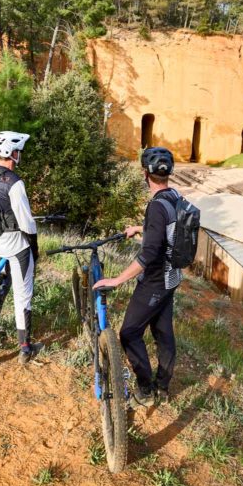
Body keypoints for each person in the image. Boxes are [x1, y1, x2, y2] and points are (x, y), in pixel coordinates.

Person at [93, 147, 181, 408]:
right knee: (163, 332)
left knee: (130, 333)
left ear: (145, 174)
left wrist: (117, 280)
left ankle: (145, 390)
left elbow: (149, 253)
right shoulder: (175, 196)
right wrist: (141, 229)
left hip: (155, 280)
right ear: (168, 173)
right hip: (172, 276)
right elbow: (167, 230)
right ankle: (162, 387)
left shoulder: (156, 206)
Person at [0, 131, 42, 364]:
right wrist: (34, 248)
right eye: (19, 151)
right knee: (23, 294)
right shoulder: (15, 183)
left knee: (3, 267)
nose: (20, 155)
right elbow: (27, 223)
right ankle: (25, 348)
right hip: (13, 244)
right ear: (13, 153)